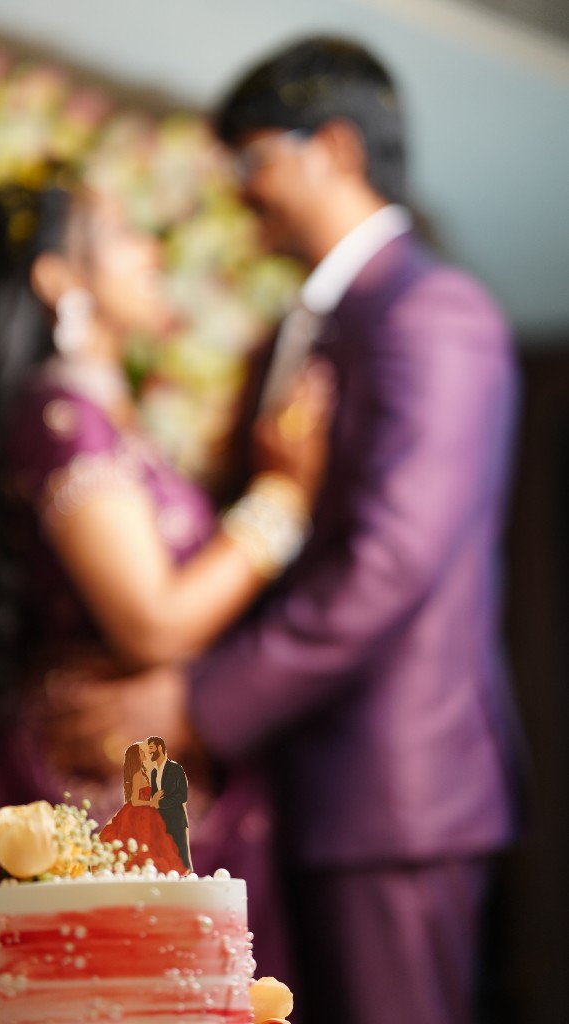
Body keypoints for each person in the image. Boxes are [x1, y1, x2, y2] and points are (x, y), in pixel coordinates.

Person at [0, 179, 331, 1024]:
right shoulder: (61, 416)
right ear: (59, 278)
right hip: (92, 802)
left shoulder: (109, 419)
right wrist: (285, 496)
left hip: (152, 789)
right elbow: (153, 620)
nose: (153, 252)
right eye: (125, 233)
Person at [178, 36, 525, 1024]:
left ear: (332, 146)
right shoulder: (295, 328)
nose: (241, 194)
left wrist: (200, 702)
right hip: (289, 778)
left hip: (389, 795)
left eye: (252, 162)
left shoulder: (434, 313)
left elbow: (391, 558)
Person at [99, 741, 187, 875]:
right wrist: (152, 801)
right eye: (142, 752)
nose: (146, 754)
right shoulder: (138, 776)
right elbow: (135, 800)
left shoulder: (145, 773)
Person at [146, 734, 192, 871]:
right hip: (158, 820)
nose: (150, 752)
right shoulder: (153, 773)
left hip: (175, 819)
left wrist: (163, 802)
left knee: (180, 859)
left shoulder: (176, 770)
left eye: (152, 749)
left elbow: (182, 795)